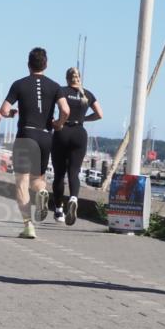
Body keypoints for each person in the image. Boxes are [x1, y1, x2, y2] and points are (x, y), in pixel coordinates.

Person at [0, 48, 69, 239]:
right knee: (37, 179)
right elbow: (65, 109)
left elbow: (4, 110)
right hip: (46, 136)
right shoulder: (55, 86)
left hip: (25, 135)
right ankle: (42, 193)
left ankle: (28, 226)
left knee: (22, 183)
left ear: (28, 64)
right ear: (46, 64)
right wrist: (59, 124)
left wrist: (13, 112)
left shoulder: (19, 84)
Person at [52, 67, 102, 225]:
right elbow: (100, 114)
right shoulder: (87, 94)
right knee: (74, 171)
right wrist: (83, 120)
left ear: (67, 78)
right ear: (79, 78)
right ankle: (73, 198)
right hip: (79, 133)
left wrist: (53, 122)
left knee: (59, 173)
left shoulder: (61, 91)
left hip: (62, 131)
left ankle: (59, 210)